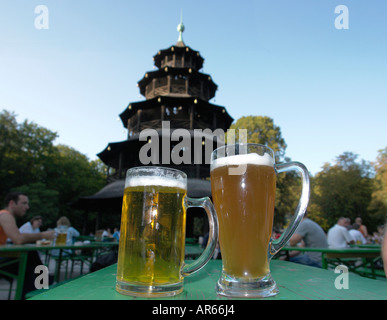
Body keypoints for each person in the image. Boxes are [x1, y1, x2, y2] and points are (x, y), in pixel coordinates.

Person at [0, 192, 55, 299]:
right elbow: (18, 239)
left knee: (29, 260)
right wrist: (43, 235)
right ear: (12, 203)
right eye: (24, 203)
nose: (27, 207)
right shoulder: (5, 215)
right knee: (29, 263)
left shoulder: (5, 215)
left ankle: (43, 281)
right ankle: (44, 281)